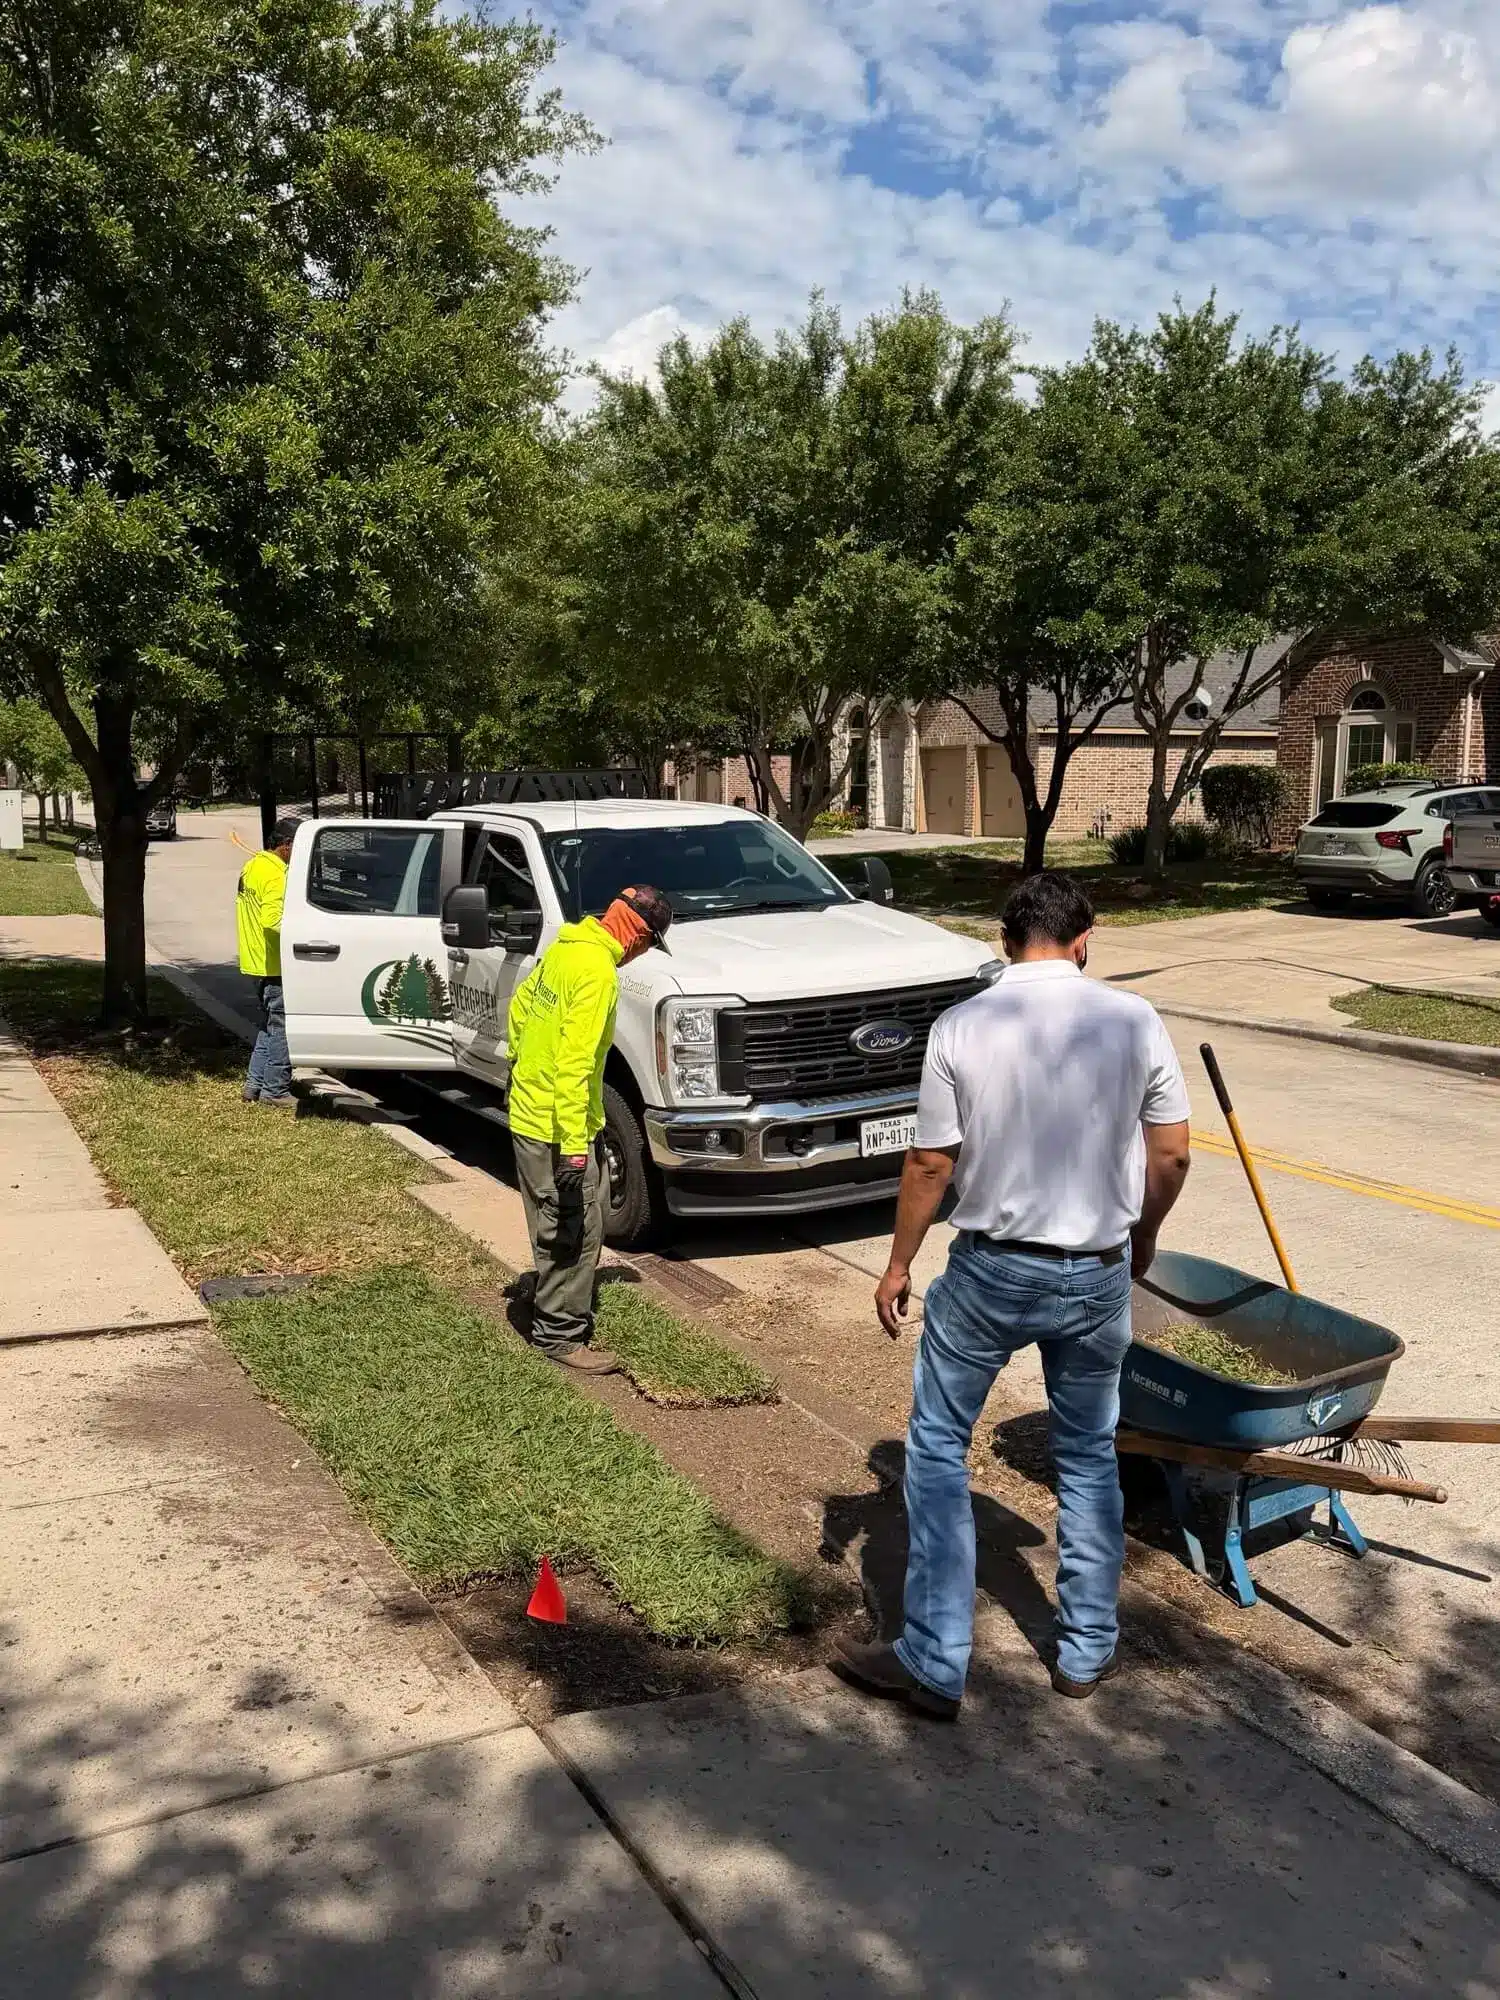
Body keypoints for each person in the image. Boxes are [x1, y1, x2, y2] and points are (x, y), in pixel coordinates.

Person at [834, 871, 1191, 1718]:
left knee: (936, 1448)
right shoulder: (1134, 1020)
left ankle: (933, 1660)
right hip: (1096, 1273)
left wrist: (897, 1264)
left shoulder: (962, 1025)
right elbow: (1172, 1153)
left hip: (991, 1273)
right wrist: (1142, 1233)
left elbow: (931, 1162)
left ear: (1004, 941)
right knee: (1088, 1454)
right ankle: (1086, 1650)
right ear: (1085, 939)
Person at [506, 883, 674, 1374]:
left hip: (530, 1110)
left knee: (556, 1219)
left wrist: (519, 1067)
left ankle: (546, 1296)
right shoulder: (598, 972)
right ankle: (559, 1333)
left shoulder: (565, 947)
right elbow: (576, 1065)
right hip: (558, 1125)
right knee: (575, 1229)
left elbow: (521, 1008)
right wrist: (575, 1147)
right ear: (638, 934)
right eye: (649, 945)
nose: (641, 955)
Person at [238, 817, 300, 1108]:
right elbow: (272, 920)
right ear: (286, 845)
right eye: (298, 846)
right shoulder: (277, 874)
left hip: (255, 960)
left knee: (270, 1026)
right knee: (283, 1028)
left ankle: (254, 1085)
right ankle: (275, 1090)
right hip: (274, 963)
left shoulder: (253, 866)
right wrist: (306, 933)